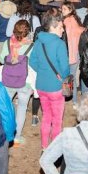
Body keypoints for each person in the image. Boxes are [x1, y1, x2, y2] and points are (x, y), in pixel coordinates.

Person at [29, 11, 70, 149]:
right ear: (54, 26)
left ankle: (44, 146)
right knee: (57, 120)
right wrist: (62, 76)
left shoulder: (38, 41)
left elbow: (32, 61)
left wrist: (42, 70)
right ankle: (55, 150)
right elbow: (65, 68)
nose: (63, 30)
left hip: (41, 85)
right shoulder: (59, 44)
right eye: (61, 27)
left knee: (46, 116)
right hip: (56, 87)